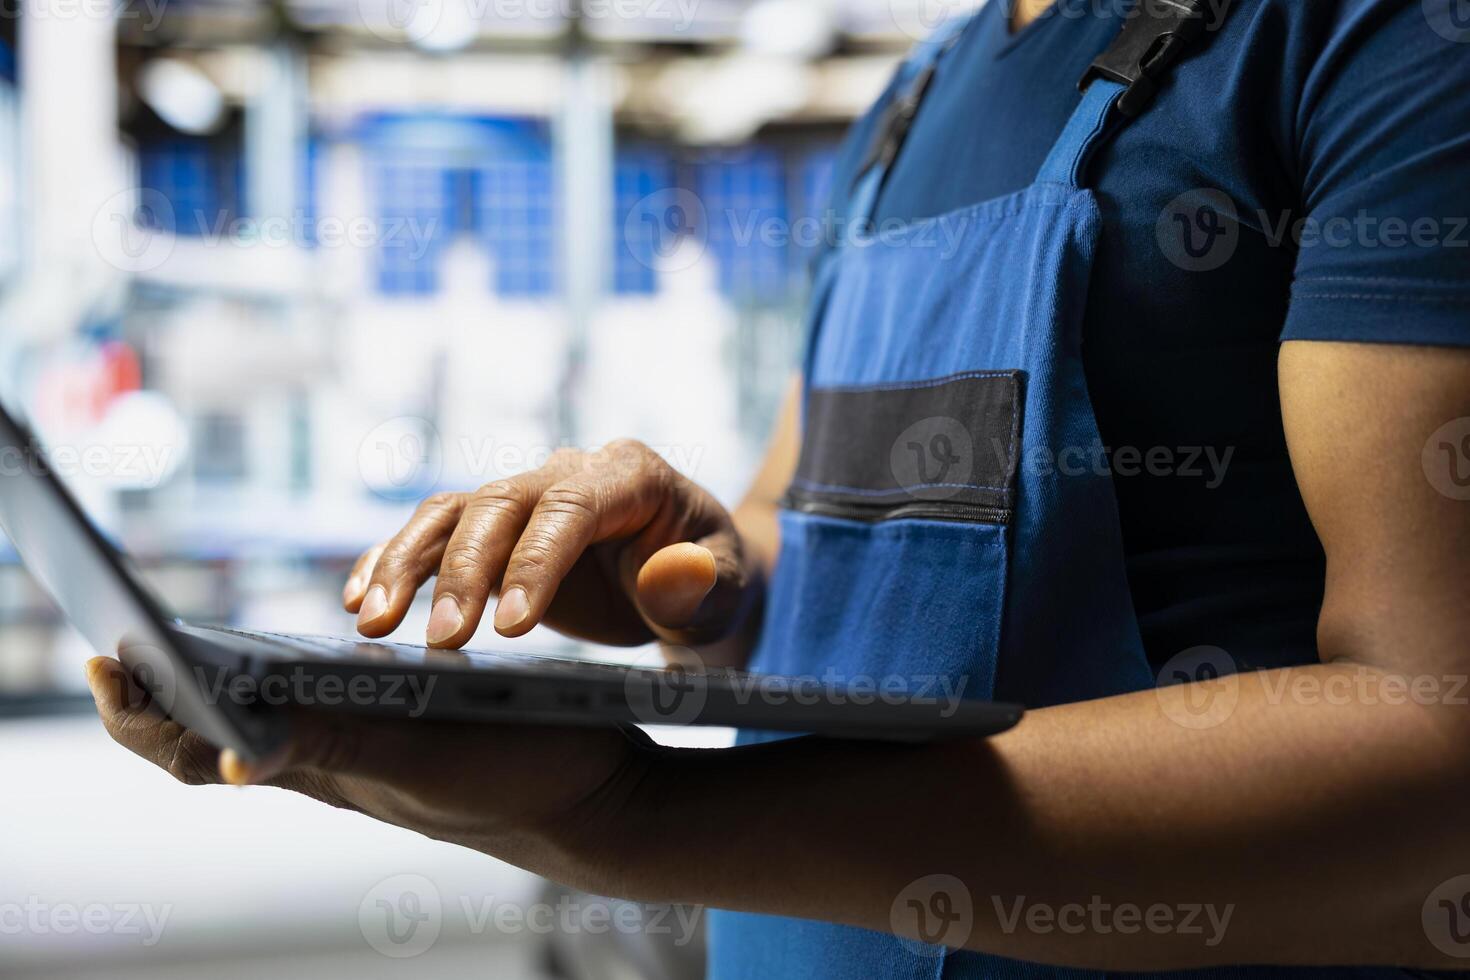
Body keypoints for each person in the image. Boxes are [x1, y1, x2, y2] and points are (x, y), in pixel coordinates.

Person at [88, 0, 1470, 975]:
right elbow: (789, 525)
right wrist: (687, 570)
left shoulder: (1383, 40)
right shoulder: (916, 97)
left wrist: (632, 820)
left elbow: (1435, 741)